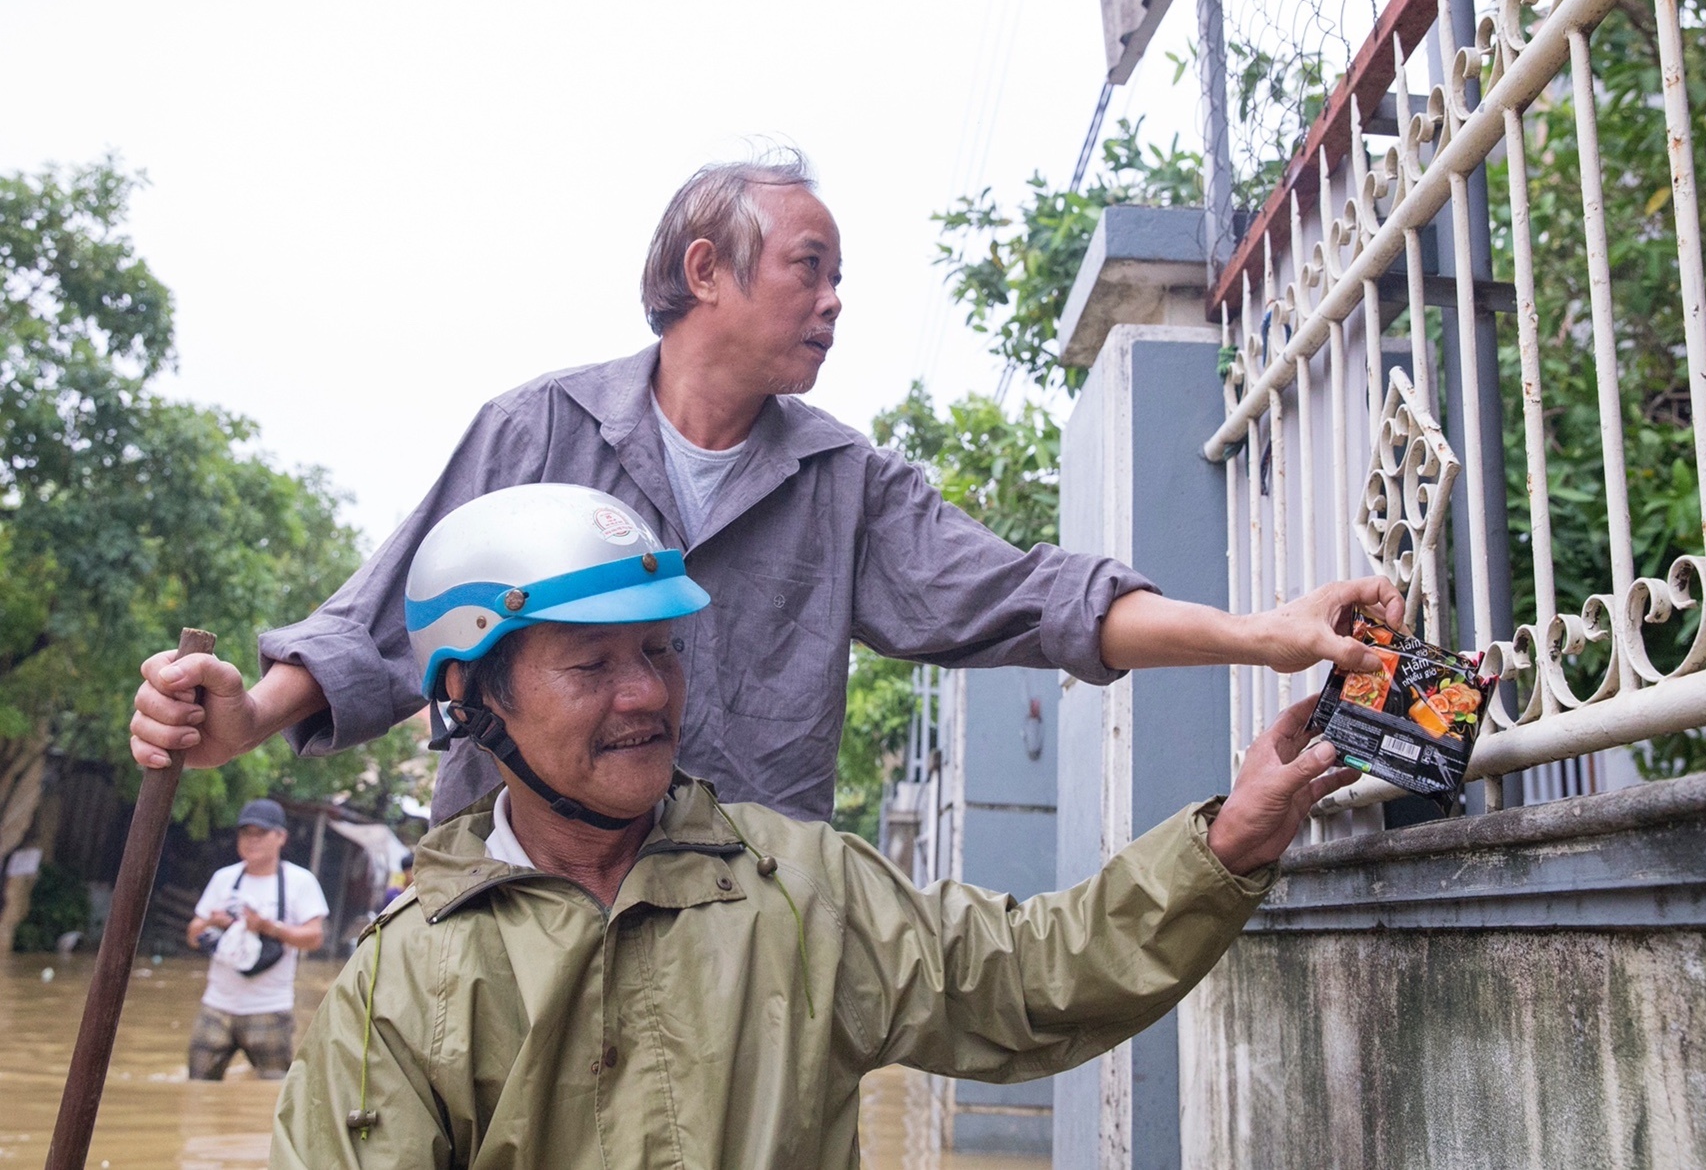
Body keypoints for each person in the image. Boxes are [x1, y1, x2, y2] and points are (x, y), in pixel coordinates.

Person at [128, 149, 1401, 825]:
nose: (835, 300)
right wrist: (242, 720)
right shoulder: (537, 427)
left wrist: (1264, 632)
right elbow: (383, 624)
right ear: (706, 270)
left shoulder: (844, 481)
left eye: (840, 277)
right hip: (517, 907)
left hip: (741, 922)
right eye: (810, 267)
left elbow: (1037, 600)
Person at [269, 485, 1361, 1168]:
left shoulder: (797, 884)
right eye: (591, 663)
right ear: (472, 694)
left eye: (659, 651)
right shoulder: (401, 982)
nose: (645, 693)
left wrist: (1229, 841)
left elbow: (1033, 978)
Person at [185, 798, 329, 1081]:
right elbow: (193, 935)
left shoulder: (300, 881)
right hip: (216, 1006)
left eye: (261, 833)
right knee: (196, 1088)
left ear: (281, 837)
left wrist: (268, 927)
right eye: (245, 833)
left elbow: (314, 938)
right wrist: (215, 922)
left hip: (270, 1009)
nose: (252, 841)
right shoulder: (223, 879)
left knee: (275, 1090)